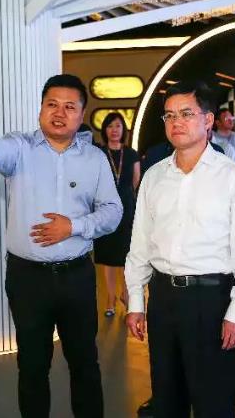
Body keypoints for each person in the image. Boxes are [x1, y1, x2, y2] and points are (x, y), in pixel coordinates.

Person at [0, 74, 122, 418]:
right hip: (27, 279)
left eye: (69, 107)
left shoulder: (94, 158)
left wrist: (73, 226)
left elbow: (113, 211)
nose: (59, 113)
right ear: (41, 109)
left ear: (81, 115)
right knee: (32, 366)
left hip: (76, 276)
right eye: (52, 104)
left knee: (84, 363)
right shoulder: (20, 147)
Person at [125, 80, 235, 418]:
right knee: (166, 399)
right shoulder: (154, 176)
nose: (176, 122)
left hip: (210, 300)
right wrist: (136, 301)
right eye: (169, 115)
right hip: (162, 298)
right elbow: (140, 243)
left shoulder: (234, 177)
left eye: (186, 114)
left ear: (208, 120)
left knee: (213, 403)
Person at [94, 112, 140, 317]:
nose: (114, 130)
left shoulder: (131, 154)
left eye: (118, 126)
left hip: (127, 210)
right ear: (105, 129)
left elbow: (135, 181)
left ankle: (126, 295)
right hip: (105, 208)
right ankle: (110, 299)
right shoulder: (98, 153)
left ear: (123, 130)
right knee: (108, 258)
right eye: (110, 126)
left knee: (127, 256)